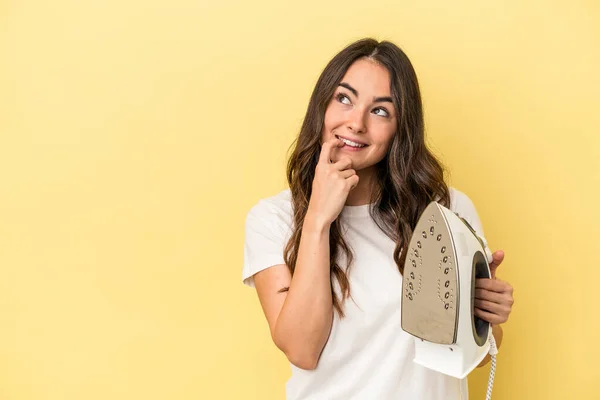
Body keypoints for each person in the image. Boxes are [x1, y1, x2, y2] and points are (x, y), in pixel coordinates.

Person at [241, 38, 514, 400]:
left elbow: (479, 354)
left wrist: (487, 316)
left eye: (380, 111)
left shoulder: (447, 211)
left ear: (401, 128)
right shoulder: (273, 219)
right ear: (322, 105)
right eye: (344, 99)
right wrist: (318, 220)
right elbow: (302, 350)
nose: (356, 123)